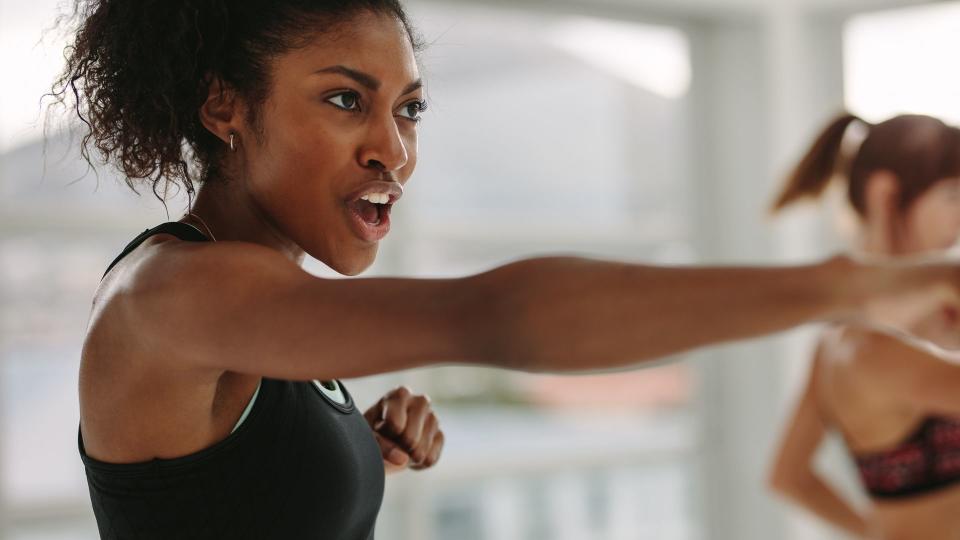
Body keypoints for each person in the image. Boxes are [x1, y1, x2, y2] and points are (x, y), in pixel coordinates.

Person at [53, 1, 960, 538]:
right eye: (344, 100)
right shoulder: (171, 293)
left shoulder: (261, 302)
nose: (393, 152)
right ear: (223, 105)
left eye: (409, 109)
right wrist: (858, 286)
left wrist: (351, 455)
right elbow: (503, 315)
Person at [768, 113, 960, 540]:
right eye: (951, 194)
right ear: (884, 194)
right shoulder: (868, 349)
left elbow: (787, 475)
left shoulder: (844, 340)